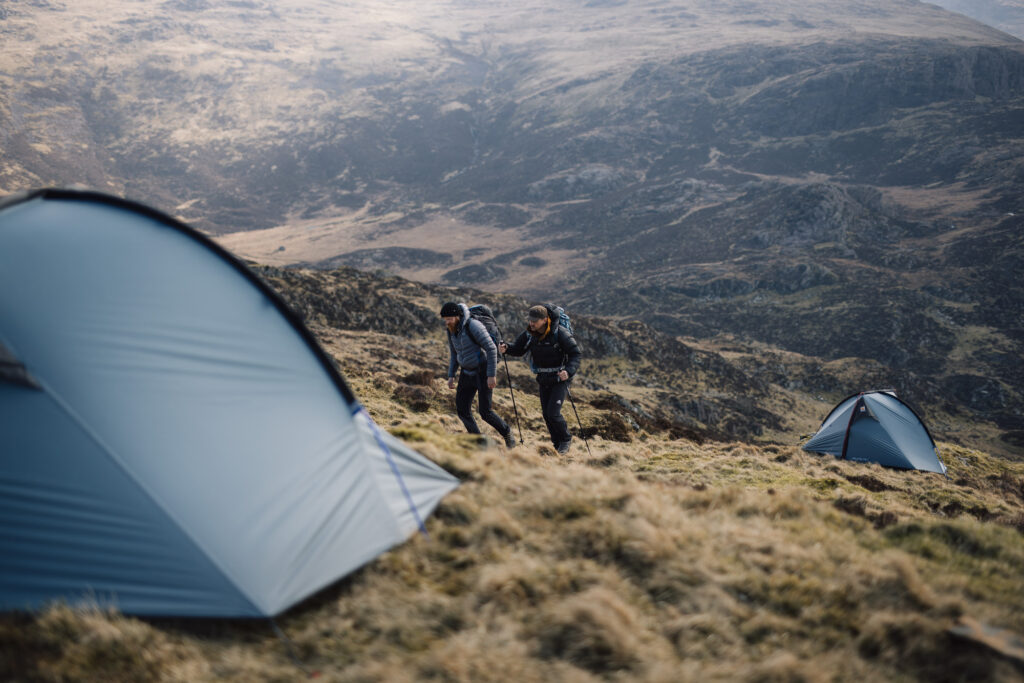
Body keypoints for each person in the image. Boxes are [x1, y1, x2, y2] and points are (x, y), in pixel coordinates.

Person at [500, 305, 582, 453]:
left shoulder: (560, 333)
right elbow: (519, 349)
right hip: (543, 377)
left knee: (553, 413)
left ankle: (565, 440)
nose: (531, 323)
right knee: (546, 414)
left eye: (535, 321)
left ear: (545, 320)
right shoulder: (529, 334)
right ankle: (556, 445)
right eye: (530, 320)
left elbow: (575, 354)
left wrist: (568, 372)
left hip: (560, 378)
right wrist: (507, 348)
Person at [441, 301, 517, 448]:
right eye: (445, 319)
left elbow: (491, 348)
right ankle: (478, 442)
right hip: (466, 372)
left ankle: (507, 432)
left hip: (482, 371)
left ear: (457, 316)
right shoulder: (450, 329)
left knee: (485, 412)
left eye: (449, 318)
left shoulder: (473, 326)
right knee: (462, 409)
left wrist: (491, 375)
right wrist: (451, 376)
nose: (447, 322)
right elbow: (454, 353)